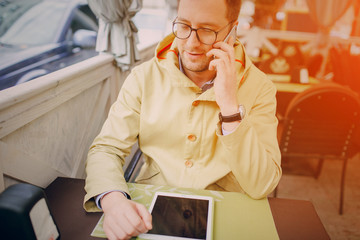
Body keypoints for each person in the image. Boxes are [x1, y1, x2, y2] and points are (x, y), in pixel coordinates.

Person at [84, 0, 282, 239]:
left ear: (232, 30)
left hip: (229, 213)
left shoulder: (260, 88)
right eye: (184, 25)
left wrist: (230, 106)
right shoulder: (143, 78)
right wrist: (113, 201)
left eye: (207, 30)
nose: (191, 43)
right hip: (151, 213)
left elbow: (262, 184)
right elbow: (106, 149)